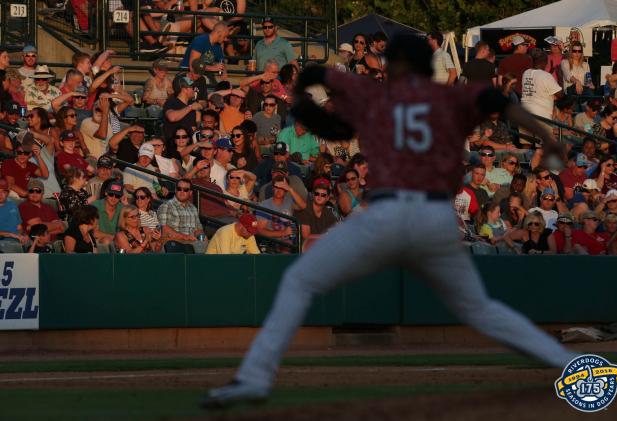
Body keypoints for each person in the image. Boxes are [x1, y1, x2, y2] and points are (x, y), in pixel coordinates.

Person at [203, 34, 576, 408]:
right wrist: (549, 139)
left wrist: (304, 93)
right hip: (434, 217)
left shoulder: (376, 95)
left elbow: (321, 82)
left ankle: (253, 378)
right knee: (479, 310)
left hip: (387, 213)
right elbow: (505, 106)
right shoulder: (448, 97)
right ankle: (571, 366)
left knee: (300, 280)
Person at [0, 178, 28, 253]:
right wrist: (11, 235)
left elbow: (19, 227)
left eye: (3, 191)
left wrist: (23, 235)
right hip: (4, 240)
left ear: (7, 193)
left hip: (16, 239)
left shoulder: (12, 205)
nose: (0, 194)